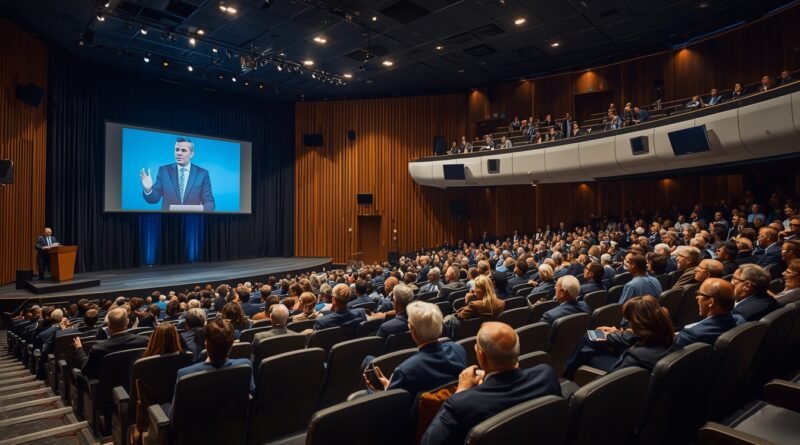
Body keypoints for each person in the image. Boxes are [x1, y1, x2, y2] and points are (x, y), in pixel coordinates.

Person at [421, 322, 560, 445]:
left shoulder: (461, 404)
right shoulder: (546, 375)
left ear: (481, 355)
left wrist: (461, 391)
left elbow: (428, 441)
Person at [365, 301, 466, 401]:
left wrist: (385, 390)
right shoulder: (458, 350)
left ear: (413, 330)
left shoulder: (404, 371)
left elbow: (392, 403)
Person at [171, 319, 255, 416]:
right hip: (233, 422)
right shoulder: (246, 365)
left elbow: (173, 414)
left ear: (206, 345)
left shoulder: (185, 374)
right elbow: (252, 395)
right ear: (232, 345)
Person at [140, 137, 215, 211]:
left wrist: (196, 209)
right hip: (168, 218)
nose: (179, 153)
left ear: (191, 154)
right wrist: (148, 190)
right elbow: (154, 199)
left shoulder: (202, 174)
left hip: (192, 217)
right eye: (177, 150)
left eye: (183, 150)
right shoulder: (164, 170)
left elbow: (210, 203)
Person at [72, 307, 149, 379]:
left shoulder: (98, 348)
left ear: (109, 326)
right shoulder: (144, 341)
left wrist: (79, 349)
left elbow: (85, 370)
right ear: (127, 322)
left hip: (107, 386)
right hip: (133, 383)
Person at [673, 278, 739, 348]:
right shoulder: (735, 320)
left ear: (711, 302)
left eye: (700, 293)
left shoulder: (692, 335)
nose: (697, 297)